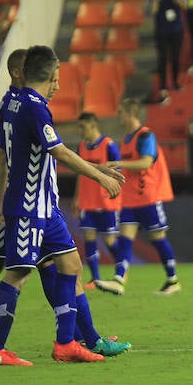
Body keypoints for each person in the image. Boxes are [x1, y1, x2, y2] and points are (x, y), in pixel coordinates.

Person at [0, 50, 130, 362]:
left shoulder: (10, 104)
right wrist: (99, 174)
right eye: (55, 78)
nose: (58, 84)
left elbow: (2, 154)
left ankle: (77, 339)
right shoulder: (29, 107)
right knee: (17, 270)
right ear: (22, 73)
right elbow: (56, 152)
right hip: (27, 203)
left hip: (31, 202)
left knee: (65, 265)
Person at [97, 98, 180, 296]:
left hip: (148, 197)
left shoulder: (146, 136)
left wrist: (118, 164)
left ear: (129, 113)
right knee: (125, 240)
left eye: (120, 112)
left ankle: (172, 280)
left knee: (158, 239)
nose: (118, 116)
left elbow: (145, 163)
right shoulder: (127, 138)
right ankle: (118, 280)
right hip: (130, 199)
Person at [72, 112, 122, 289]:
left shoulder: (109, 145)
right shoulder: (82, 146)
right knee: (89, 239)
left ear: (93, 125)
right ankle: (95, 278)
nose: (80, 130)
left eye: (82, 127)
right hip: (87, 200)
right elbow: (80, 172)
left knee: (109, 241)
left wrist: (113, 190)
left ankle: (121, 272)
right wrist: (77, 197)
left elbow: (118, 171)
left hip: (105, 202)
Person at [149, 0, 187, 102]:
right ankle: (163, 86)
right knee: (163, 58)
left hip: (176, 29)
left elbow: (186, 5)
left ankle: (176, 82)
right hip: (162, 30)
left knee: (175, 57)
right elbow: (153, 10)